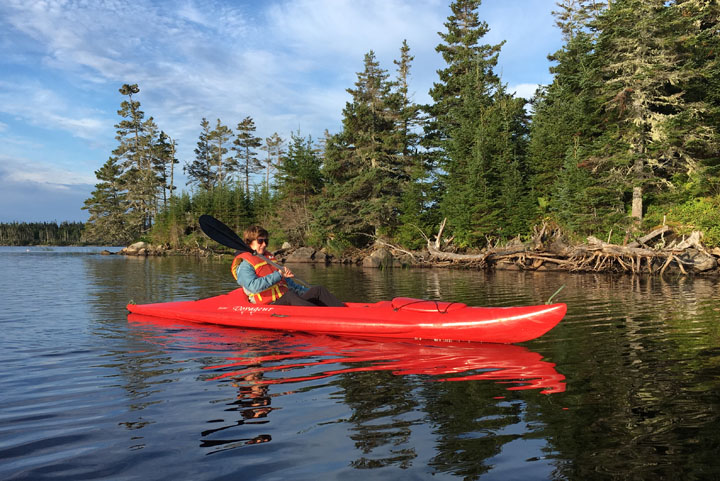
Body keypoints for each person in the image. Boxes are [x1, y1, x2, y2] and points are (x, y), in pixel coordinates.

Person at [232, 225, 345, 307]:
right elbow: (253, 286)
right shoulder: (244, 265)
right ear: (249, 242)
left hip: (285, 299)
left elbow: (291, 286)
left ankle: (343, 312)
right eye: (260, 241)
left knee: (318, 290)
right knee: (290, 296)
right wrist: (278, 274)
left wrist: (310, 294)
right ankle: (321, 316)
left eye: (266, 241)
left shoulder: (269, 260)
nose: (265, 244)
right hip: (269, 305)